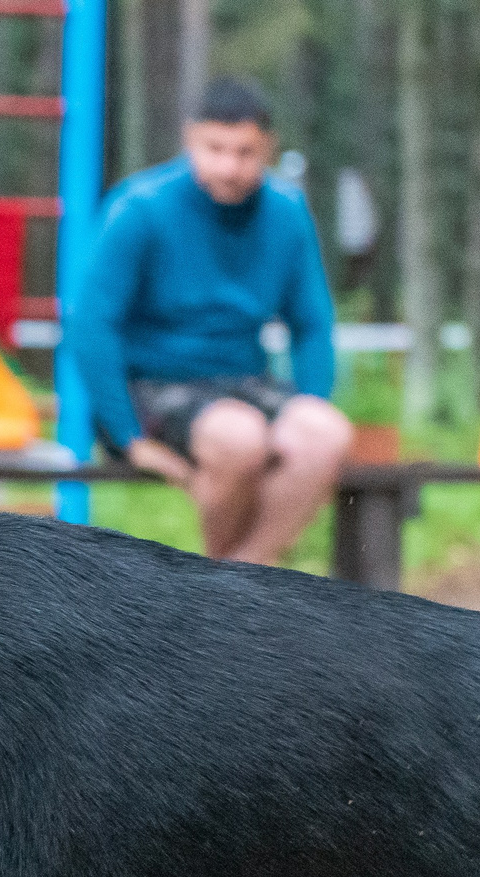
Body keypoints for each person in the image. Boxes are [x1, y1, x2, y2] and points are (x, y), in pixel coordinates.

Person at [69, 78, 353, 565]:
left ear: (268, 148)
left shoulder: (286, 214)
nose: (229, 166)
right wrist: (127, 437)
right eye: (214, 148)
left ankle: (241, 579)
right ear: (190, 139)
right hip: (152, 386)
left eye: (245, 152)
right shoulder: (140, 208)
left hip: (241, 379)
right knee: (238, 438)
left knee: (325, 433)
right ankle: (236, 598)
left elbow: (311, 324)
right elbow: (92, 325)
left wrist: (309, 399)